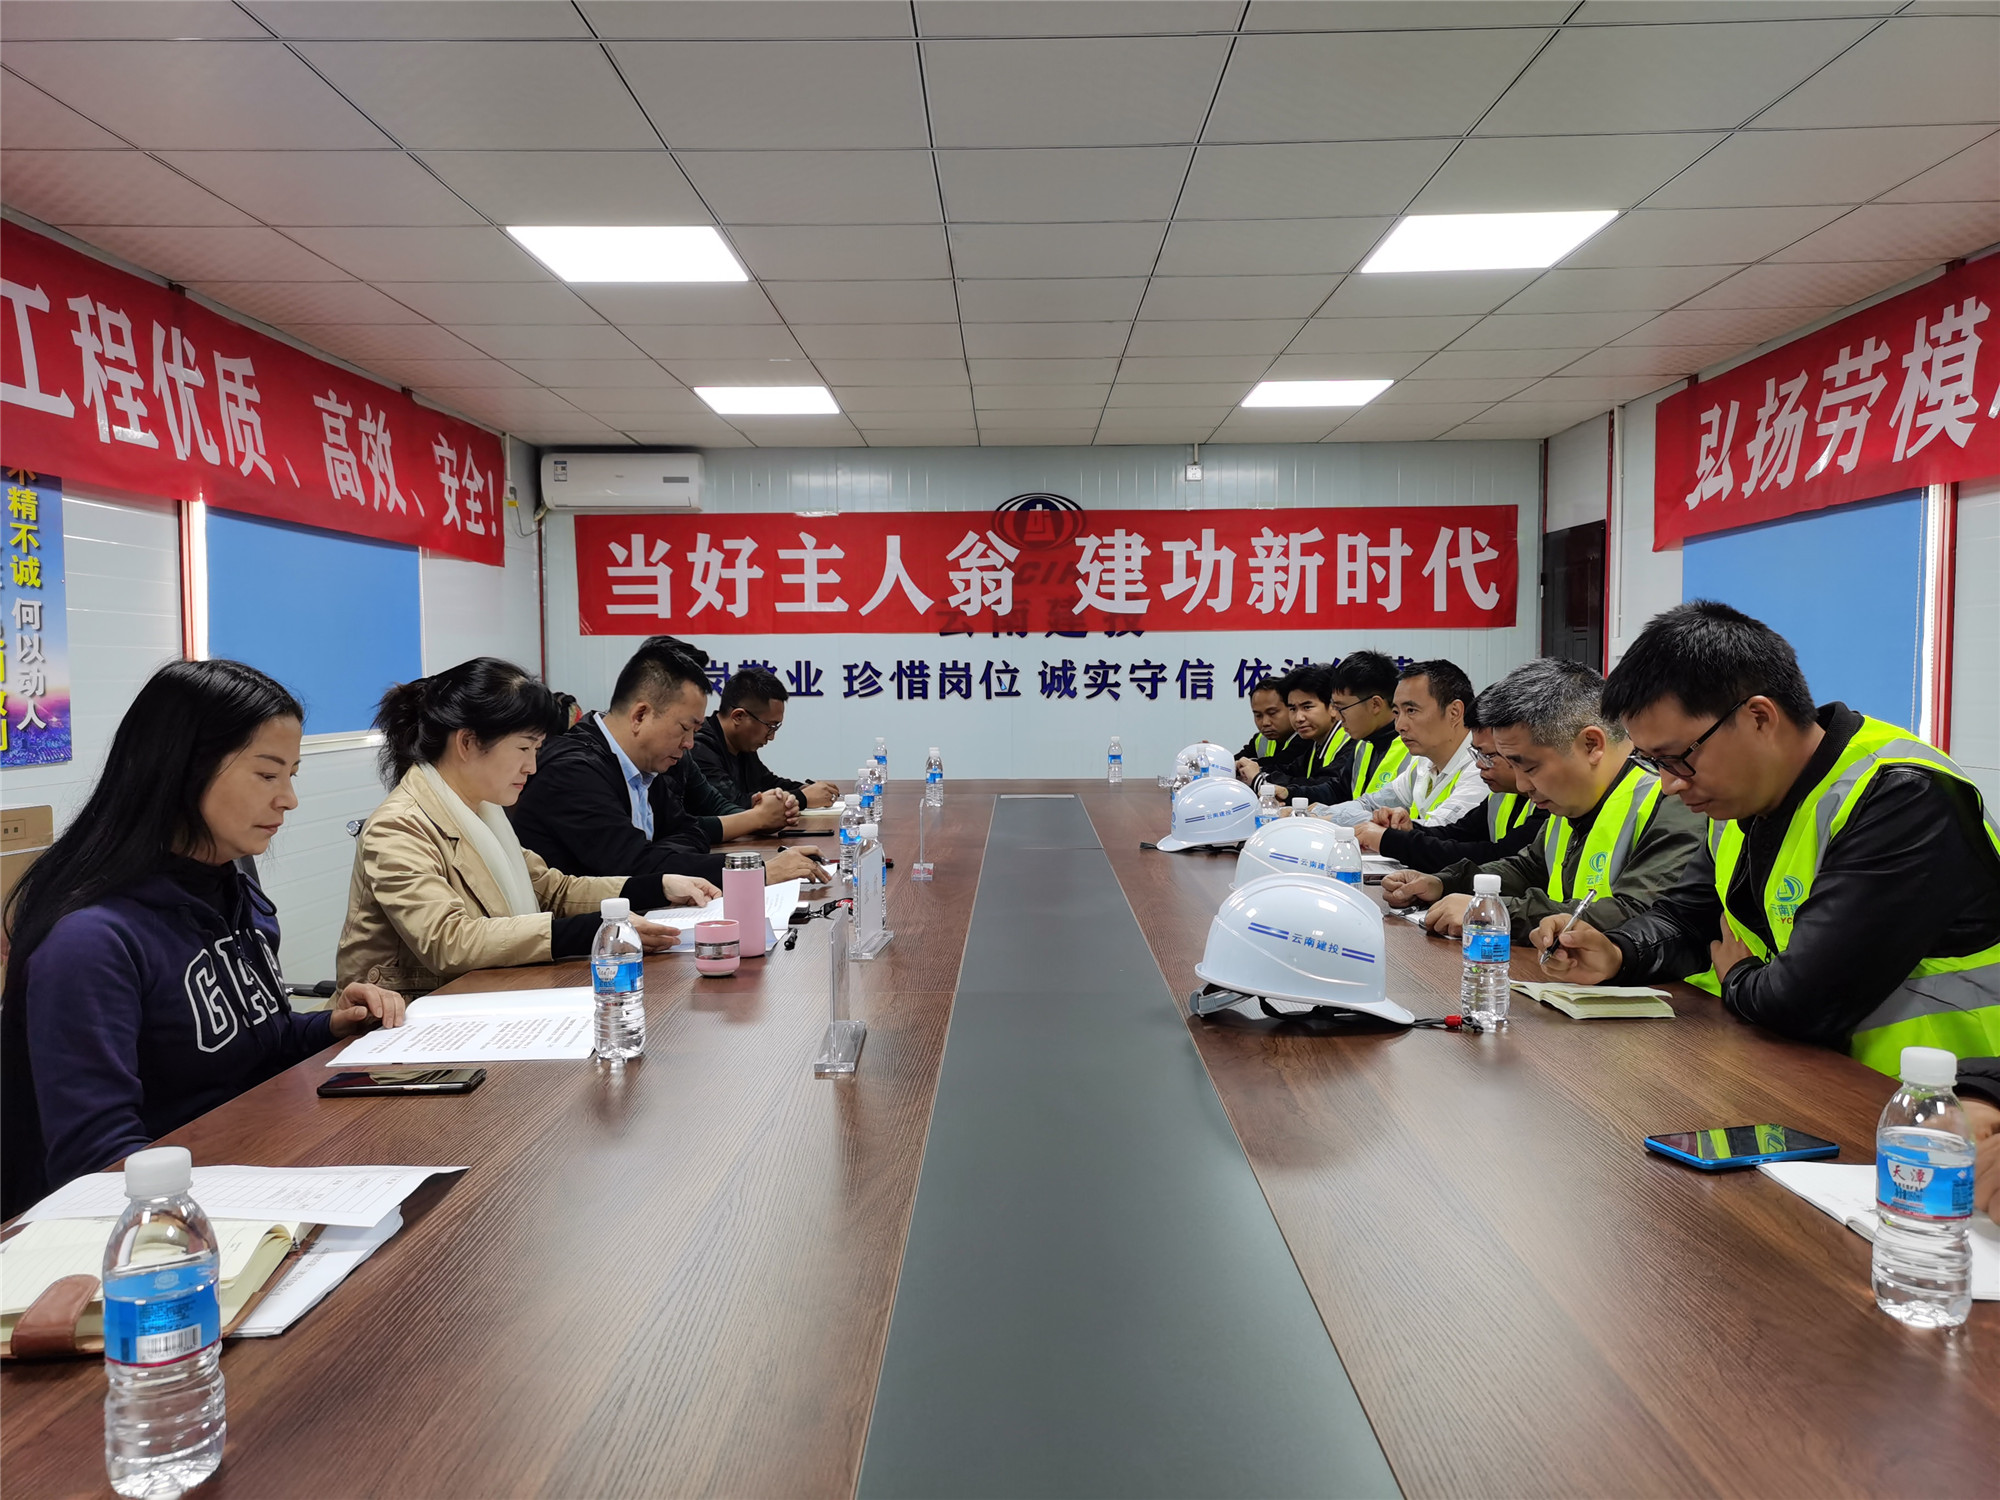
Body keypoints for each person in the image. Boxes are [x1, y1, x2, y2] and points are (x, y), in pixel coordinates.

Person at [1, 660, 406, 1218]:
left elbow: (248, 1046)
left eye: (292, 775)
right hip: (157, 1228)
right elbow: (97, 1163)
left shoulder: (231, 890)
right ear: (183, 769)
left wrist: (332, 1025)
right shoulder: (90, 941)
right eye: (267, 775)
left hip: (255, 1165)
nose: (288, 799)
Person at [1536, 601, 2000, 1075]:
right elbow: (1687, 919)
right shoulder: (1738, 799)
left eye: (1677, 758)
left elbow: (1804, 1000)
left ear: (1759, 717)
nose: (1669, 784)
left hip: (1939, 1099)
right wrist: (1618, 952)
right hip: (1812, 1079)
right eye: (1654, 763)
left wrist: (1736, 975)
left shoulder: (1901, 795)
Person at [338, 657, 719, 999]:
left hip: (489, 995)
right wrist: (593, 929)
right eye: (524, 748)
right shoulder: (399, 826)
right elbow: (448, 941)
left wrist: (657, 886)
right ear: (468, 743)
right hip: (402, 1021)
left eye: (536, 750)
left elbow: (553, 889)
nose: (532, 767)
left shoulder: (483, 811)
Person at [1383, 657, 1702, 941]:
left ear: (1591, 745)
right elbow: (1527, 867)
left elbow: (1634, 914)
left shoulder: (1671, 802)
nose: (1523, 784)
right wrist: (1444, 883)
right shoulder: (1574, 802)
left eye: (1530, 767)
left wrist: (1492, 911)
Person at [511, 640, 831, 887]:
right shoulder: (573, 771)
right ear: (640, 715)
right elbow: (638, 869)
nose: (690, 744)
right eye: (685, 728)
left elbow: (690, 831)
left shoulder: (645, 765)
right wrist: (755, 871)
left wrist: (660, 852)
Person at [1360, 700, 1547, 870]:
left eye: (1488, 755)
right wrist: (1408, 829)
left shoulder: (1549, 803)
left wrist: (1390, 841)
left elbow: (1494, 856)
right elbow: (1457, 833)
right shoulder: (1502, 795)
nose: (1479, 764)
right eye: (1477, 753)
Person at [1310, 659, 1486, 832]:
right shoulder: (1423, 763)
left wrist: (1331, 817)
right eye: (1396, 712)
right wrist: (1317, 813)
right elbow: (1370, 804)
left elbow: (1437, 830)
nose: (1399, 725)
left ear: (1454, 712)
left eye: (1411, 711)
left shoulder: (1481, 767)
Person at [1264, 652, 1404, 807]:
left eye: (1341, 708)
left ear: (1375, 704)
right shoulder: (1364, 745)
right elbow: (1339, 791)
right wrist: (1289, 794)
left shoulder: (1411, 749)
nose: (1337, 716)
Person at [691, 665, 840, 810]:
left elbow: (767, 783)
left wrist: (805, 788)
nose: (772, 737)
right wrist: (802, 797)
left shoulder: (742, 744)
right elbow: (731, 805)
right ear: (738, 716)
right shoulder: (698, 746)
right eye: (770, 726)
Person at [1234, 676, 1302, 785]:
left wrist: (1249, 766)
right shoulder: (1260, 739)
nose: (1265, 722)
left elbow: (1283, 762)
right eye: (1258, 715)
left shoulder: (1307, 737)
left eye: (1272, 713)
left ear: (1292, 708)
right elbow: (1237, 760)